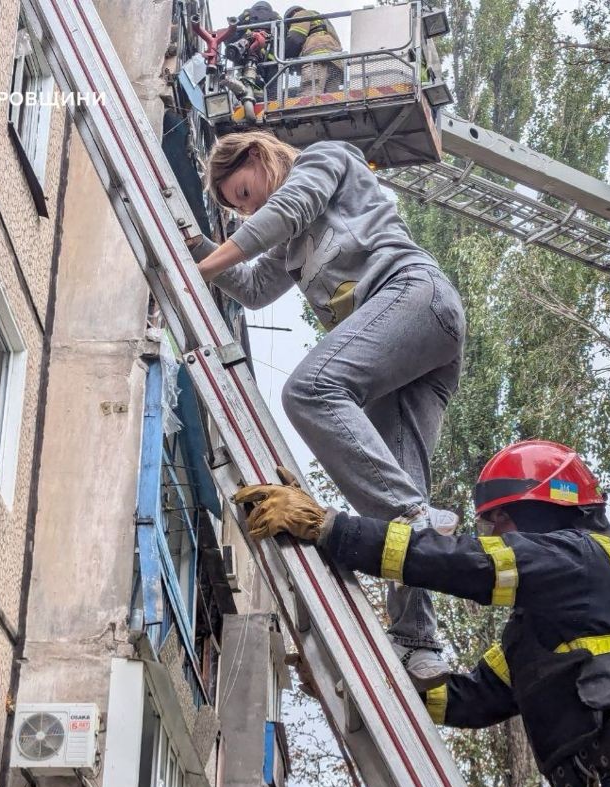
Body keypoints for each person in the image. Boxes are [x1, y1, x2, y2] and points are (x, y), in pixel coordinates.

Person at [233, 440, 610, 787]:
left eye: (503, 521)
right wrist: (348, 679)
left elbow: (471, 562)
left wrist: (333, 528)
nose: (495, 533)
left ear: (547, 512)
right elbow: (469, 700)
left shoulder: (587, 559)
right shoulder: (541, 631)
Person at [185, 131, 465, 690]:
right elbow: (254, 287)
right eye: (237, 208)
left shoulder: (324, 161)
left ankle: (415, 523)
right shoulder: (291, 250)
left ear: (259, 158)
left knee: (309, 391)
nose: (248, 210)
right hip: (405, 352)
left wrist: (206, 267)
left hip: (414, 299)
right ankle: (419, 643)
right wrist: (193, 248)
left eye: (244, 192)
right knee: (394, 486)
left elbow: (289, 208)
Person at [282, 6, 344, 97]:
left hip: (315, 60)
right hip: (336, 62)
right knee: (331, 98)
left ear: (294, 13)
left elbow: (295, 38)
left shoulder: (301, 14)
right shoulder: (323, 20)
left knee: (309, 95)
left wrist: (286, 59)